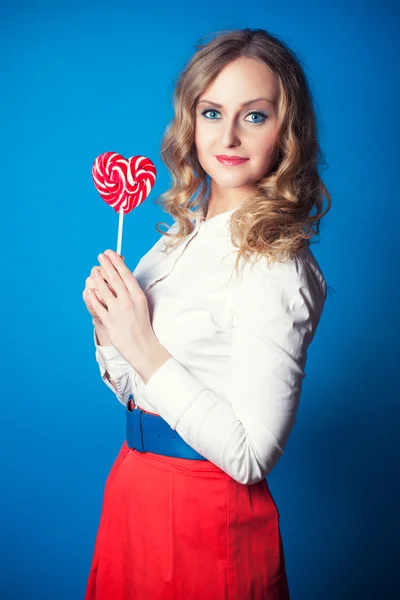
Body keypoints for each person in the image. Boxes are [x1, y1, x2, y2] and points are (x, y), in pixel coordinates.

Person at [83, 27, 331, 600]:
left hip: (203, 514)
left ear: (286, 131)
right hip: (133, 490)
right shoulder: (176, 240)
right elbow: (136, 387)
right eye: (213, 111)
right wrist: (109, 332)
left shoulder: (276, 264)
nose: (229, 136)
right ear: (190, 121)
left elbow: (250, 456)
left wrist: (140, 343)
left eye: (255, 116)